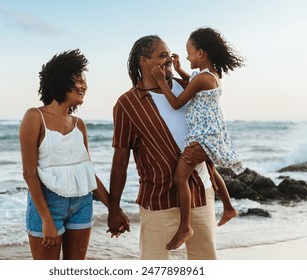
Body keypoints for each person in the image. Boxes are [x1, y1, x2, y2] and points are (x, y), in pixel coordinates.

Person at [107, 35, 219, 260]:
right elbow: (120, 160)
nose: (169, 59)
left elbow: (210, 122)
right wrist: (114, 208)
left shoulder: (186, 86)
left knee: (207, 261)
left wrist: (213, 169)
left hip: (200, 191)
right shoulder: (127, 105)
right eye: (162, 55)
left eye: (169, 54)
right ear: (143, 61)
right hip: (159, 199)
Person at [19, 49, 128, 260]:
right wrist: (46, 219)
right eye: (78, 80)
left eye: (84, 81)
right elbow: (29, 173)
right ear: (60, 80)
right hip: (49, 204)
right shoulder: (35, 117)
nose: (84, 86)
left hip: (82, 203)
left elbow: (87, 173)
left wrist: (114, 209)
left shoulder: (79, 125)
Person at [151, 27, 245, 250]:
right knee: (211, 171)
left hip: (201, 137)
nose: (186, 56)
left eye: (189, 52)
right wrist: (180, 70)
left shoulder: (202, 78)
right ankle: (229, 208)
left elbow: (176, 103)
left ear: (201, 53)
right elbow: (193, 82)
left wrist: (161, 80)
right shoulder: (211, 75)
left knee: (180, 178)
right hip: (211, 134)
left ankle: (185, 227)